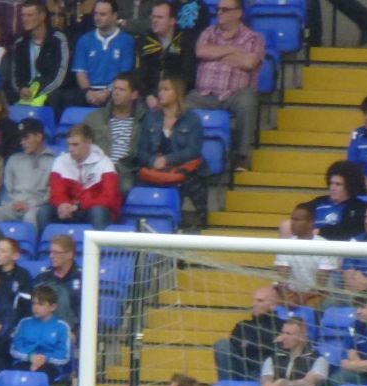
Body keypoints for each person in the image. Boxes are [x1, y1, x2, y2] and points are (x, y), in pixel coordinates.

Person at [186, 0, 265, 171]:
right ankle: (183, 157)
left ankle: (241, 157)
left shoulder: (253, 37)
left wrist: (215, 54)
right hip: (204, 95)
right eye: (218, 9)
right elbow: (201, 51)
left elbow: (250, 62)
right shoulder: (208, 33)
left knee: (248, 100)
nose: (219, 13)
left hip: (234, 95)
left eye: (225, 9)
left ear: (238, 13)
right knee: (182, 103)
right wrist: (233, 50)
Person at [136, 75, 207, 221]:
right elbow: (141, 151)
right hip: (155, 170)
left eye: (166, 89)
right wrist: (153, 161)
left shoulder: (192, 119)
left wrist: (167, 159)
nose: (161, 93)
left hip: (184, 170)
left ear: (177, 92)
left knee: (190, 184)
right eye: (160, 90)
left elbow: (193, 150)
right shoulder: (150, 118)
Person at [38, 123, 122, 233]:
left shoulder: (105, 163)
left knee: (98, 211)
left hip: (92, 209)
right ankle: (47, 247)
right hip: (69, 208)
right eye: (68, 145)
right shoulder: (61, 161)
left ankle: (98, 249)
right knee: (44, 211)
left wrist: (79, 206)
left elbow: (109, 198)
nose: (70, 149)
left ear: (88, 142)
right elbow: (56, 193)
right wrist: (63, 204)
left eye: (75, 145)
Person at [260, 316, 328, 386]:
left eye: (288, 334)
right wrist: (296, 385)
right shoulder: (272, 359)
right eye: (283, 333)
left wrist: (281, 383)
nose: (283, 337)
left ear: (302, 336)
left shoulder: (319, 360)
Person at [69, 0, 136, 109]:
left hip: (115, 91)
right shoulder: (84, 40)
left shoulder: (127, 41)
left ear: (114, 16)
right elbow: (80, 72)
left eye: (103, 14)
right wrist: (88, 92)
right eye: (96, 13)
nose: (97, 18)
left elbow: (124, 73)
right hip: (89, 92)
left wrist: (107, 92)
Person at [6, 0, 71, 111]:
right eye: (23, 15)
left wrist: (39, 92)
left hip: (49, 91)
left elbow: (60, 74)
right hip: (25, 92)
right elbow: (16, 75)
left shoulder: (58, 39)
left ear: (42, 16)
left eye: (29, 15)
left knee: (55, 97)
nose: (25, 19)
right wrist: (21, 88)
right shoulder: (20, 43)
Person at [86, 72, 144, 194]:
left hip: (126, 171)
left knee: (124, 186)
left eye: (122, 90)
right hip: (98, 169)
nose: (116, 93)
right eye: (114, 89)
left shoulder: (144, 120)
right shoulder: (94, 118)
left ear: (134, 95)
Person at [0, 118, 54, 226]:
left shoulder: (54, 161)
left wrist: (31, 204)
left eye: (26, 137)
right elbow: (6, 189)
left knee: (31, 217)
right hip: (13, 205)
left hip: (37, 207)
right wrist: (12, 203)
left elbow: (51, 192)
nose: (22, 142)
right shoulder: (14, 159)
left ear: (39, 137)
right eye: (21, 138)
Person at [274, 205, 338, 308]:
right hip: (292, 294)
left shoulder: (325, 246)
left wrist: (302, 298)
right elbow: (282, 279)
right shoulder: (285, 246)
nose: (292, 223)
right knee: (265, 295)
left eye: (297, 220)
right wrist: (288, 298)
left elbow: (321, 285)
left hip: (319, 296)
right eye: (292, 219)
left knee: (316, 303)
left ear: (310, 223)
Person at [137, 1, 196, 106]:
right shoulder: (143, 41)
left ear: (172, 21)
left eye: (159, 17)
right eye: (153, 17)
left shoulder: (185, 42)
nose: (154, 21)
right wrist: (148, 95)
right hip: (148, 96)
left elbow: (188, 75)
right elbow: (139, 74)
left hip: (177, 95)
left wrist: (170, 94)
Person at [216, 284, 280, 382]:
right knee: (222, 344)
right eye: (254, 300)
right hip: (241, 368)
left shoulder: (281, 326)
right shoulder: (242, 325)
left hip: (266, 372)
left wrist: (248, 343)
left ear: (273, 305)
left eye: (260, 301)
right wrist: (263, 344)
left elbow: (276, 349)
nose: (254, 304)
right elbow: (236, 348)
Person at [9, 284, 73, 380]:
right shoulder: (24, 323)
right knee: (12, 376)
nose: (36, 307)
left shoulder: (62, 327)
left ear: (52, 307)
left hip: (50, 366)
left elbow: (63, 356)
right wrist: (30, 357)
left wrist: (44, 358)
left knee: (40, 376)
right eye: (34, 303)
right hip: (24, 362)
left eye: (41, 304)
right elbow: (14, 348)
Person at [309, 159, 367, 241]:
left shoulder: (359, 207)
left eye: (338, 184)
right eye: (331, 183)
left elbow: (348, 231)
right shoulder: (318, 202)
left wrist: (320, 231)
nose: (332, 188)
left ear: (349, 186)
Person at [36, 234, 83, 327]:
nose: (51, 256)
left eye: (56, 252)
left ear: (70, 254)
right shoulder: (43, 278)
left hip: (74, 330)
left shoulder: (83, 278)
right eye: (50, 252)